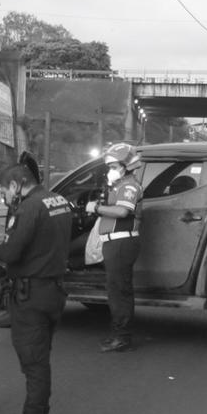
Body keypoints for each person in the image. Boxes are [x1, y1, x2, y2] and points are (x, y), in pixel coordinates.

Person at [0, 159, 72, 414]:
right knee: (39, 360)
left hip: (31, 295)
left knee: (34, 366)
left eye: (3, 192)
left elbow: (10, 252)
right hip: (53, 289)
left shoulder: (29, 207)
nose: (4, 198)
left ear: (15, 184)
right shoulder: (58, 200)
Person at [85, 143, 143, 353]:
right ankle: (119, 334)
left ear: (126, 166)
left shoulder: (129, 187)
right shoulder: (119, 186)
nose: (111, 170)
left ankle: (122, 336)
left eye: (114, 166)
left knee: (119, 292)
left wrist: (97, 208)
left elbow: (121, 212)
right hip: (115, 243)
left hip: (121, 243)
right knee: (117, 290)